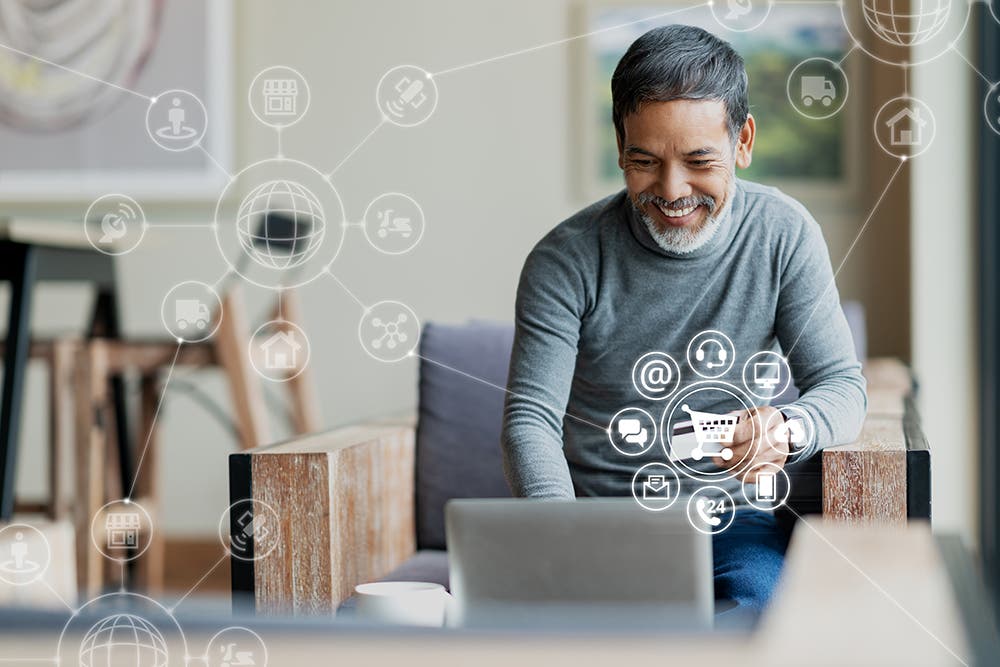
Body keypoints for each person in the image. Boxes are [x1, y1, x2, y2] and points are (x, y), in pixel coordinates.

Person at [500, 24, 867, 614]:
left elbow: (843, 388)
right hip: (596, 523)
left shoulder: (784, 233)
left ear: (743, 141)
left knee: (758, 620)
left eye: (699, 161)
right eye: (643, 161)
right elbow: (530, 420)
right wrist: (561, 537)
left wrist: (789, 429)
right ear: (619, 147)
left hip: (734, 522)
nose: (672, 191)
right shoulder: (563, 259)